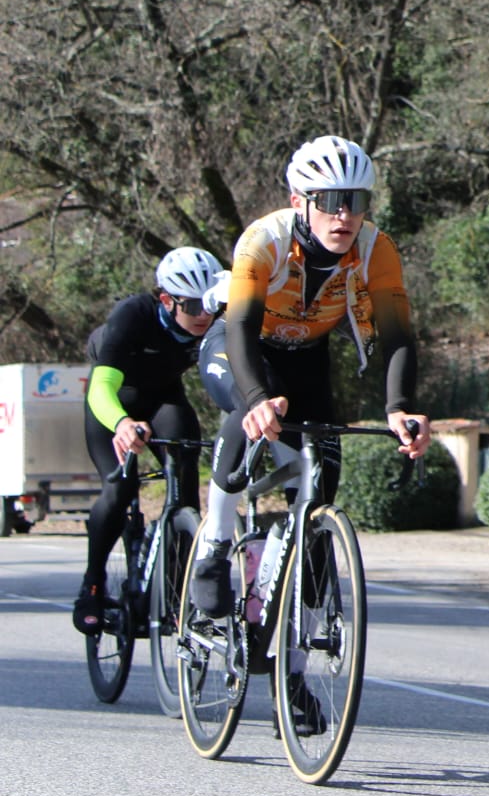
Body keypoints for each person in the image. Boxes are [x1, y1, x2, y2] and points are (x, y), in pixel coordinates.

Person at [187, 137, 431, 663]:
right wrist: (256, 397)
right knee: (247, 411)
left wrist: (399, 407)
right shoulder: (264, 241)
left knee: (319, 497)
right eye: (330, 201)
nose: (345, 215)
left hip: (307, 359)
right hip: (242, 347)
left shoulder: (376, 249)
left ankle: (296, 668)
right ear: (299, 201)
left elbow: (397, 335)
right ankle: (215, 540)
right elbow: (241, 326)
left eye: (356, 202)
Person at [72, 247, 223, 634]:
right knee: (120, 486)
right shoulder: (133, 315)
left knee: (186, 473)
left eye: (209, 304)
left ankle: (176, 589)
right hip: (114, 401)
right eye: (193, 306)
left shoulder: (217, 316)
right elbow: (100, 388)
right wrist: (122, 423)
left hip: (163, 399)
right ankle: (92, 583)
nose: (204, 315)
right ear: (167, 300)